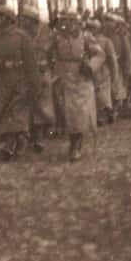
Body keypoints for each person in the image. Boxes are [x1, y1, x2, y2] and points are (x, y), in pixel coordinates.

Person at [49, 14, 104, 162]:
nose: (69, 24)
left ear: (79, 23)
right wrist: (49, 65)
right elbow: (48, 52)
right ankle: (73, 140)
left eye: (73, 21)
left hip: (81, 77)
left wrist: (91, 66)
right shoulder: (57, 37)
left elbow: (99, 54)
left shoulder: (85, 37)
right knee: (66, 112)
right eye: (66, 21)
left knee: (78, 112)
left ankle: (76, 144)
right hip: (62, 77)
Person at [0, 5, 38, 161]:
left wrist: (34, 82)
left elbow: (31, 61)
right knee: (6, 112)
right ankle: (19, 138)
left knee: (16, 111)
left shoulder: (21, 37)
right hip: (2, 80)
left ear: (9, 19)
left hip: (20, 79)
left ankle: (10, 144)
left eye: (1, 17)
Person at [19, 7, 55, 152]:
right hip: (26, 73)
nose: (23, 22)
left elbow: (51, 53)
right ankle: (28, 137)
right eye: (23, 19)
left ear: (33, 21)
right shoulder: (21, 35)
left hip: (41, 73)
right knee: (26, 105)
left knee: (41, 105)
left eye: (26, 20)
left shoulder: (44, 35)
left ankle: (40, 137)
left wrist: (47, 66)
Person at [88, 18, 121, 126]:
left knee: (102, 95)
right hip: (90, 70)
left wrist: (114, 71)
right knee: (93, 94)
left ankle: (107, 112)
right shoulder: (85, 40)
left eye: (93, 28)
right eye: (89, 27)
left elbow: (111, 58)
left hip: (103, 71)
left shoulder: (106, 41)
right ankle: (100, 115)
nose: (91, 30)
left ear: (98, 29)